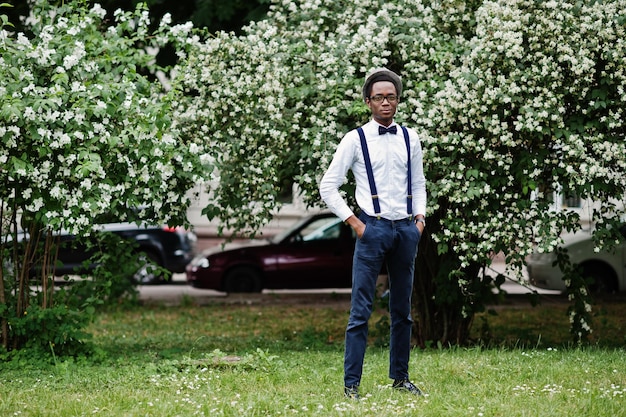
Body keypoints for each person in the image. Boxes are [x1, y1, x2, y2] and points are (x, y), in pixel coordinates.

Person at [319, 68, 427, 400]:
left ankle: (401, 378)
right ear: (368, 101)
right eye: (379, 97)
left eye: (391, 97)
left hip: (407, 229)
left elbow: (419, 183)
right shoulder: (355, 139)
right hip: (373, 228)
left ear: (397, 100)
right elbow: (328, 186)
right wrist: (356, 224)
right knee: (360, 311)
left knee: (402, 311)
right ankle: (351, 385)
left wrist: (420, 219)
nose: (385, 103)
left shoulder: (411, 137)